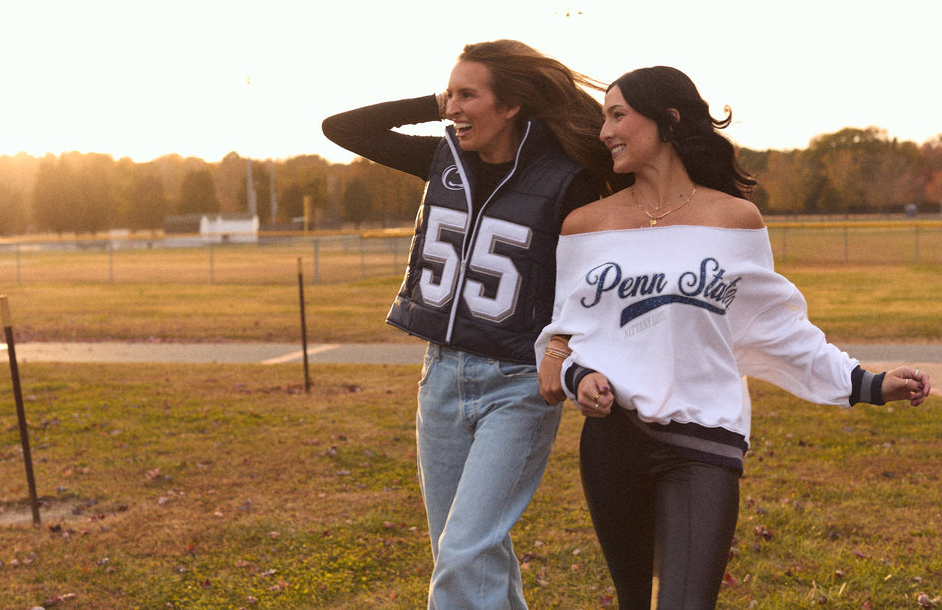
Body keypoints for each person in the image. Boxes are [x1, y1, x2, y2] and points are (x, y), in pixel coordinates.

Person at [535, 65, 932, 609]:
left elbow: (777, 329)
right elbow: (564, 337)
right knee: (635, 603)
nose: (604, 132)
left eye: (617, 114)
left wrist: (867, 383)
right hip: (613, 444)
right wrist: (579, 377)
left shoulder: (735, 221)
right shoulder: (585, 225)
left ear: (668, 120)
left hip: (703, 441)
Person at [322, 40, 626, 609]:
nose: (453, 106)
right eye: (450, 92)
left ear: (510, 106)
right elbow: (342, 127)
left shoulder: (568, 180)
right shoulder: (442, 160)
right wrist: (436, 102)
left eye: (469, 95)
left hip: (518, 385)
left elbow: (587, 291)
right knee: (467, 552)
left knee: (464, 551)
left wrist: (575, 363)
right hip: (440, 377)